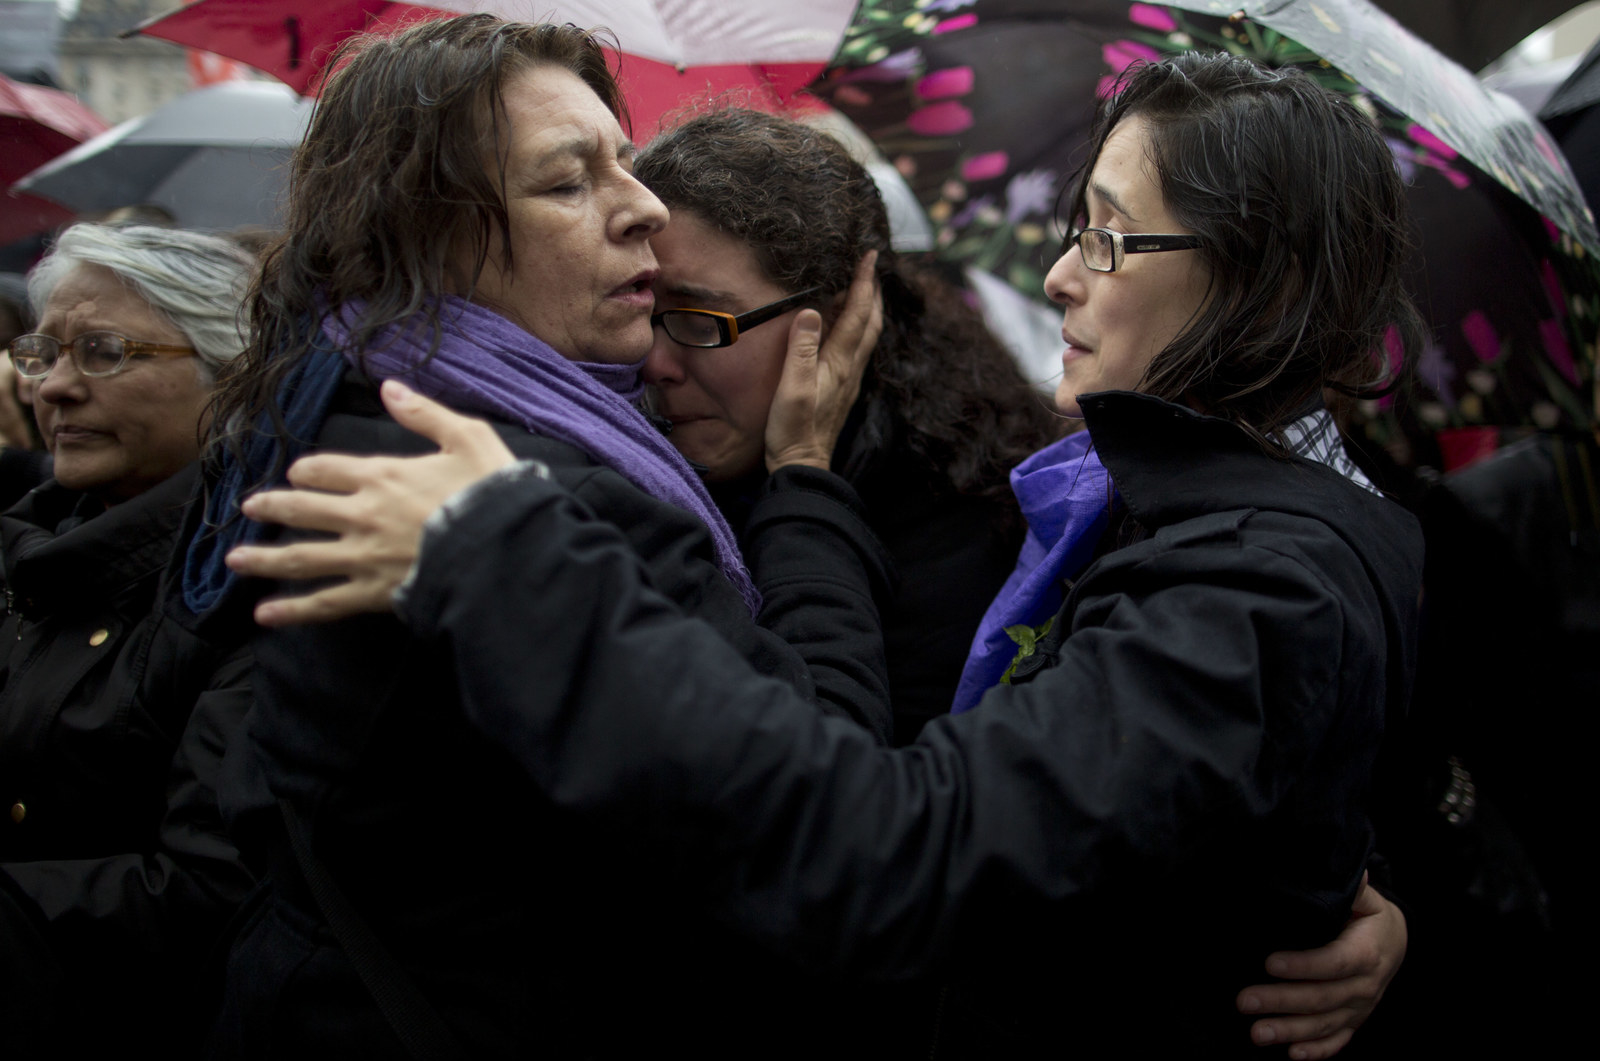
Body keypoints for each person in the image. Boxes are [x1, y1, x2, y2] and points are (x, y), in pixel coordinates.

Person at [230, 52, 1424, 1057]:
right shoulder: (1144, 498)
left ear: (1255, 289)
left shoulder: (1250, 564)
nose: (1061, 272)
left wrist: (507, 556)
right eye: (1077, 229)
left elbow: (902, 851)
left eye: (1109, 239)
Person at [189, 16, 890, 1057]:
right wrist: (802, 480)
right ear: (429, 237)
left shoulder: (344, 397)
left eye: (622, 158)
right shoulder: (521, 493)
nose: (646, 207)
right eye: (569, 183)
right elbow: (828, 786)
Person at [636, 109, 1060, 742]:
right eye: (641, 306)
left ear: (838, 323)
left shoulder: (957, 507)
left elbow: (832, 779)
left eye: (702, 320)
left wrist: (801, 478)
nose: (655, 363)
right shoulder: (624, 458)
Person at [0, 222, 258, 1051]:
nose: (56, 388)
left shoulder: (257, 578)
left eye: (105, 352)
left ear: (230, 374)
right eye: (44, 352)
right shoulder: (29, 551)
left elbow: (206, 891)